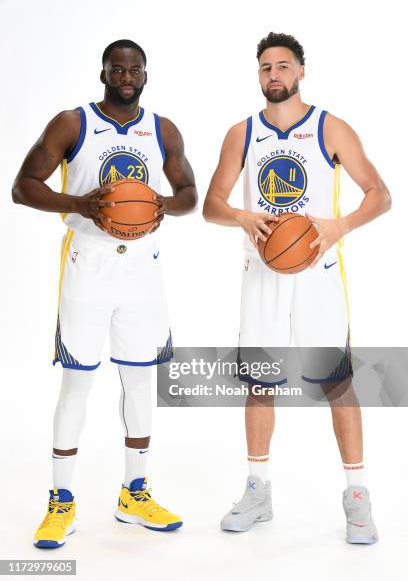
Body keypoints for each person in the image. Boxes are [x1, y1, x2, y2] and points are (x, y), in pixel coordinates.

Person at [202, 31, 391, 544]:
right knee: (260, 384)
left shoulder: (331, 128)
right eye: (266, 68)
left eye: (283, 66)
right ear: (258, 75)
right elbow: (211, 205)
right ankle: (258, 490)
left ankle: (357, 497)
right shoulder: (241, 133)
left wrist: (339, 227)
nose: (274, 76)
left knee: (336, 383)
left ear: (301, 71)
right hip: (261, 270)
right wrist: (243, 215)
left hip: (316, 273)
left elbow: (380, 194)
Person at [12, 39, 197, 548]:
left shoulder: (162, 129)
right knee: (77, 384)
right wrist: (80, 203)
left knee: (140, 384)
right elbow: (23, 185)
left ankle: (134, 493)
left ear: (145, 74)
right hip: (86, 267)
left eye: (135, 69)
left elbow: (189, 195)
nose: (126, 76)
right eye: (118, 68)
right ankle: (61, 502)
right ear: (104, 73)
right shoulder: (72, 124)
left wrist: (161, 203)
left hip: (142, 273)